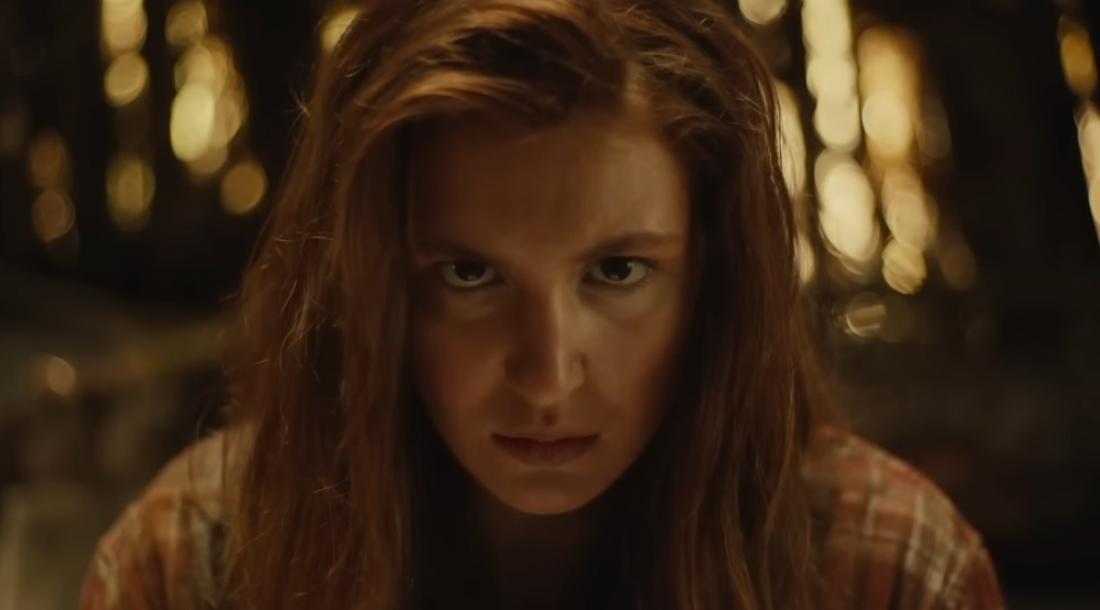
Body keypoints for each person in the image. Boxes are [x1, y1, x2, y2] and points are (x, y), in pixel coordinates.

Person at [79, 1, 1006, 609]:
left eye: (618, 272)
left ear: (714, 280)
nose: (548, 374)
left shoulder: (883, 573)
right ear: (369, 286)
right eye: (469, 277)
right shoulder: (194, 567)